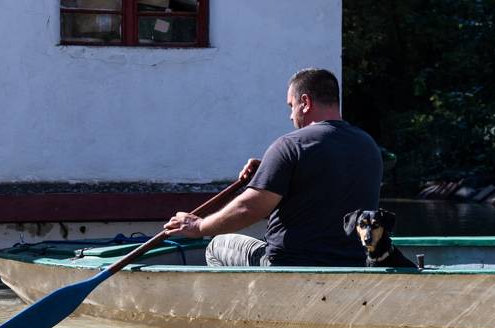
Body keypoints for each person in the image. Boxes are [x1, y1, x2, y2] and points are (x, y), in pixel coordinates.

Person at [164, 68, 383, 266]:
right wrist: (269, 173)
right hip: (352, 264)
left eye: (291, 106)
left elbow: (248, 209)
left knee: (216, 246)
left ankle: (246, 309)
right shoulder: (368, 146)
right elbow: (323, 189)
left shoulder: (290, 145)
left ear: (305, 102)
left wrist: (199, 227)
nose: (290, 115)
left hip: (288, 264)